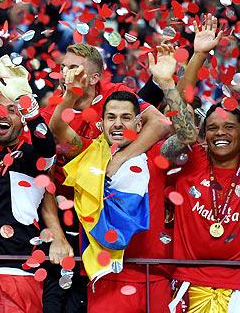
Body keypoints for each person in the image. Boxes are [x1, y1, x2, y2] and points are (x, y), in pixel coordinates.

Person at [42, 42, 171, 313]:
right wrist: (69, 95)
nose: (66, 73)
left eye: (74, 68)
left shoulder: (117, 96)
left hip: (114, 209)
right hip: (69, 218)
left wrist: (120, 159)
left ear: (95, 78)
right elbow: (56, 129)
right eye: (63, 67)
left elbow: (159, 123)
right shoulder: (54, 109)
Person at [153, 46, 240, 312]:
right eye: (213, 128)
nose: (221, 133)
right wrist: (175, 77)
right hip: (187, 286)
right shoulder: (192, 161)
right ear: (204, 136)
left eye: (229, 127)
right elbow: (181, 125)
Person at [0, 54, 69, 312]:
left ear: (22, 118)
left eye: (13, 110)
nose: (4, 114)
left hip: (16, 273)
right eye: (0, 108)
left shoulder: (29, 155)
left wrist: (29, 107)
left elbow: (47, 149)